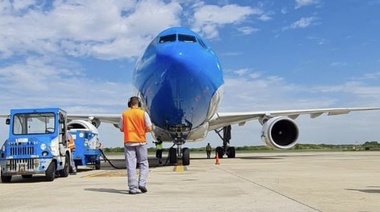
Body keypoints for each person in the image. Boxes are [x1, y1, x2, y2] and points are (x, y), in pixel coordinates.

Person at [119, 96, 152, 195]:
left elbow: (121, 128)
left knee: (131, 165)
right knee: (143, 163)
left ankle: (132, 188)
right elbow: (149, 128)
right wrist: (142, 131)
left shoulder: (124, 114)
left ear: (129, 104)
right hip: (141, 141)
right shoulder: (143, 113)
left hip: (129, 141)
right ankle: (142, 183)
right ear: (139, 104)